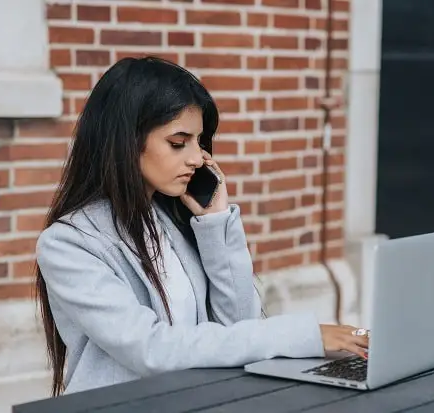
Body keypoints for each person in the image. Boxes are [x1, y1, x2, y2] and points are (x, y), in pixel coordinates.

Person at [34, 56, 370, 396]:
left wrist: (215, 222)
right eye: (178, 143)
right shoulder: (69, 244)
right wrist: (301, 336)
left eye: (199, 141)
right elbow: (152, 350)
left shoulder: (173, 220)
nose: (197, 158)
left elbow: (240, 326)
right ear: (127, 141)